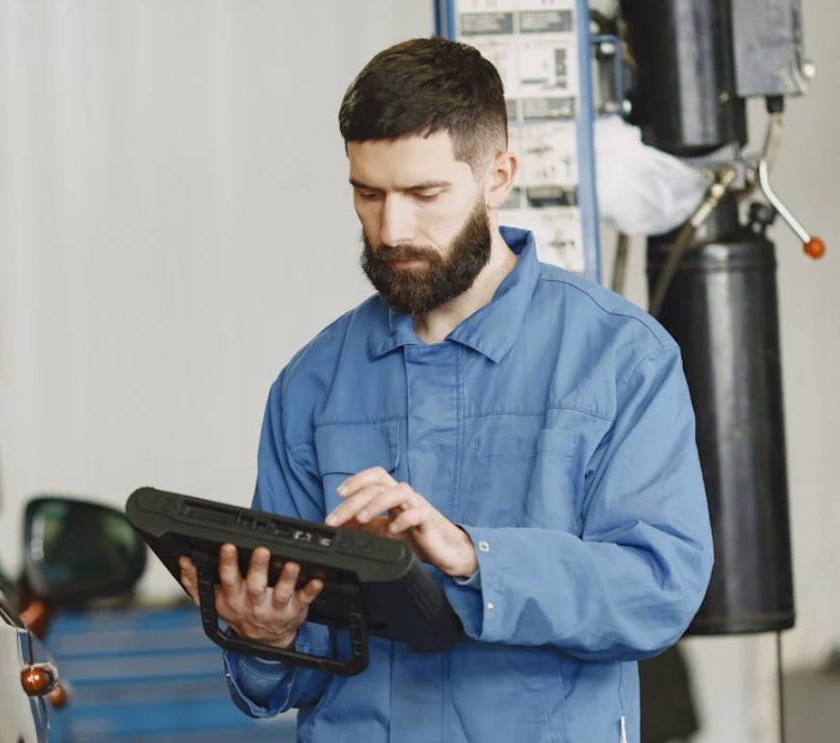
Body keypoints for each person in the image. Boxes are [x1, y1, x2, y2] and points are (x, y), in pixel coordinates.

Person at [176, 37, 714, 742]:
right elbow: (297, 672)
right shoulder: (311, 383)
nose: (391, 229)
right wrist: (262, 634)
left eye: (423, 194)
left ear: (498, 176)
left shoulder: (618, 358)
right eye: (367, 194)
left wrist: (470, 553)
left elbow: (657, 589)